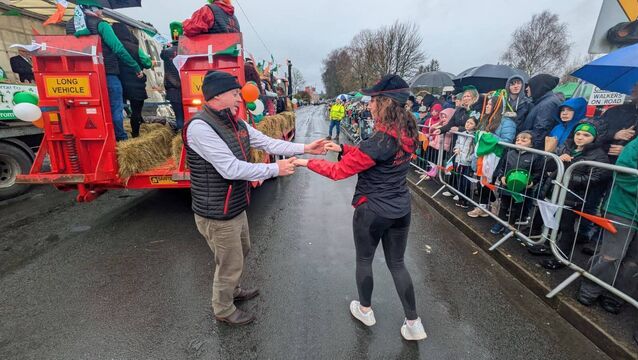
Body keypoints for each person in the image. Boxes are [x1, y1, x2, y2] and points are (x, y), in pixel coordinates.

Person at [184, 70, 327, 325]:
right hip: (216, 211)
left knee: (242, 250)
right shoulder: (199, 128)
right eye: (235, 93)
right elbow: (230, 168)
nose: (241, 98)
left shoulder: (234, 122)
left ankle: (233, 290)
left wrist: (306, 148)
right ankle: (223, 309)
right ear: (218, 95)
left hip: (234, 204)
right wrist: (275, 169)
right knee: (229, 263)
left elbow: (267, 143)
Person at [294, 74, 428, 341]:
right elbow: (371, 157)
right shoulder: (407, 131)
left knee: (364, 260)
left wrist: (305, 162)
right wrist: (342, 147)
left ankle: (365, 310)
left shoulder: (379, 140)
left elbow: (338, 172)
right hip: (400, 208)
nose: (369, 106)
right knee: (398, 264)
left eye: (373, 101)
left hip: (373, 210)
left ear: (385, 103)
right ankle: (414, 323)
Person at [577, 137, 638, 320]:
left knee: (634, 261)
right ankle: (590, 289)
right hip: (623, 209)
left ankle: (616, 296)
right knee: (611, 255)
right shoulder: (635, 145)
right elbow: (623, 172)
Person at [65, 0, 143, 142]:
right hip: (107, 73)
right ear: (93, 8)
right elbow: (118, 49)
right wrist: (135, 67)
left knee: (89, 110)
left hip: (82, 76)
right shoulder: (102, 24)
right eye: (100, 9)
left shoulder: (70, 25)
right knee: (115, 108)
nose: (101, 12)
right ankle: (120, 138)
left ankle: (96, 137)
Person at [541, 122, 611, 270]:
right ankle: (548, 247)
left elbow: (596, 177)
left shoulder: (599, 155)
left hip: (572, 197)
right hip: (555, 192)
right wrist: (558, 159)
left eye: (586, 135)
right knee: (552, 223)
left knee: (566, 227)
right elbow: (548, 166)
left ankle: (561, 257)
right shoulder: (567, 147)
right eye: (578, 134)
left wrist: (568, 177)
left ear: (595, 137)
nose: (580, 137)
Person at [489, 131, 543, 234]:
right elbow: (502, 168)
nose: (519, 142)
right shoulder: (510, 153)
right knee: (504, 205)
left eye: (524, 140)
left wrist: (531, 182)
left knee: (516, 207)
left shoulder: (536, 157)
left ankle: (510, 225)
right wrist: (502, 177)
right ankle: (500, 223)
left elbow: (538, 173)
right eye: (517, 139)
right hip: (507, 186)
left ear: (531, 143)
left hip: (522, 188)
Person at [112, 23, 153, 138]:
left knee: (117, 110)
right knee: (136, 111)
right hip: (135, 83)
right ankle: (135, 135)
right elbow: (147, 63)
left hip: (118, 82)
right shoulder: (134, 47)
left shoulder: (111, 47)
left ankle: (119, 135)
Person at [597, 83, 638, 163]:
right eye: (634, 85)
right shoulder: (614, 111)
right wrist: (613, 135)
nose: (633, 89)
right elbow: (594, 132)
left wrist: (628, 152)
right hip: (602, 163)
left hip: (630, 169)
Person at [518, 74, 561, 149]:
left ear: (537, 87)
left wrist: (530, 150)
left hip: (533, 149)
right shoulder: (542, 102)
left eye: (529, 86)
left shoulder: (548, 104)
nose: (526, 89)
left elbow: (541, 130)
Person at [161, 21, 185, 130]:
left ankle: (181, 139)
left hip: (173, 89)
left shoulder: (166, 52)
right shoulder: (187, 50)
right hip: (188, 88)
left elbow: (162, 55)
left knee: (179, 117)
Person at [452, 116, 477, 209]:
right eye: (467, 122)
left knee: (465, 182)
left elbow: (475, 151)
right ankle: (460, 197)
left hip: (467, 163)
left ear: (475, 126)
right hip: (458, 160)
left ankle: (466, 200)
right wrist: (456, 149)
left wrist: (469, 159)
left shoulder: (475, 136)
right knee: (459, 179)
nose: (468, 124)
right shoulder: (461, 133)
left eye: (471, 123)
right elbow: (457, 143)